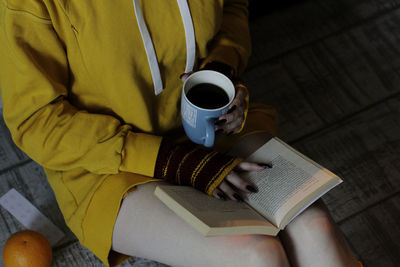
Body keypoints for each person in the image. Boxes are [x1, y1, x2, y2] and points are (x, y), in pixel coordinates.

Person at [0, 0, 361, 266]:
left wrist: (222, 67)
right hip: (109, 161)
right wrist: (174, 161)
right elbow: (36, 121)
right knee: (256, 254)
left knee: (317, 231)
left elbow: (233, 8)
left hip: (212, 128)